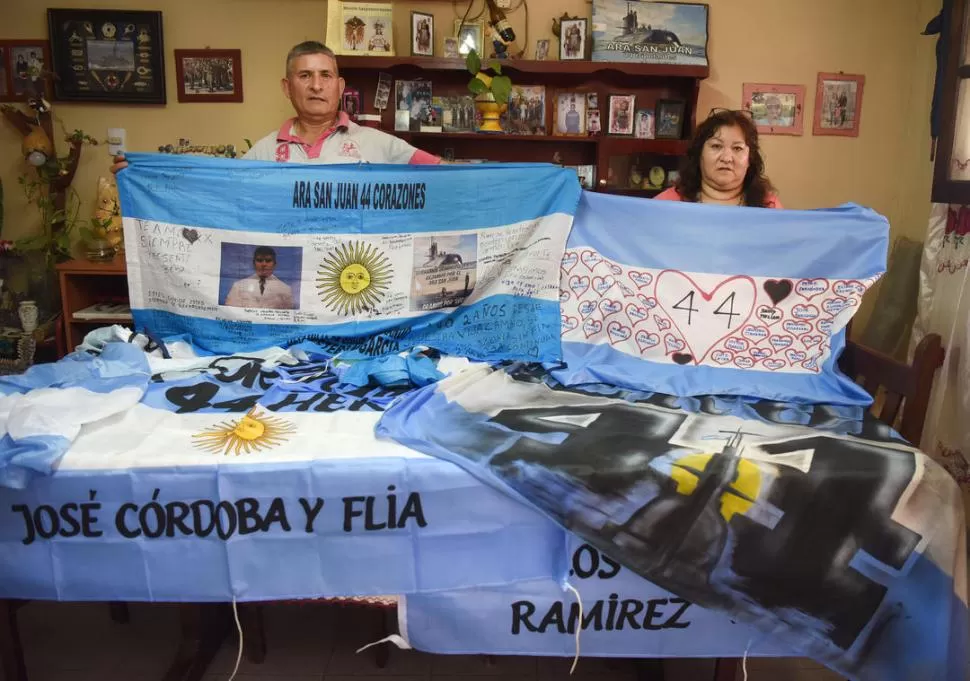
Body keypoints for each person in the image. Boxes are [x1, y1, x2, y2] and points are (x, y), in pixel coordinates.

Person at [111, 41, 438, 172]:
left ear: (339, 87)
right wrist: (143, 175)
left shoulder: (378, 144)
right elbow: (217, 194)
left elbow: (447, 174)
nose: (316, 85)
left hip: (354, 281)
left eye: (326, 75)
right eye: (305, 75)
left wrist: (489, 181)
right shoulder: (263, 153)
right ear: (287, 87)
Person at [654, 108, 782, 208]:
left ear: (750, 159)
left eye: (737, 148)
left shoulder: (768, 206)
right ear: (699, 155)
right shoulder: (666, 204)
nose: (726, 158)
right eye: (716, 146)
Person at [224, 246, 295, 310]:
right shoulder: (238, 286)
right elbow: (230, 312)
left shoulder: (285, 289)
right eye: (259, 260)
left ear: (274, 264)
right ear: (253, 263)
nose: (263, 264)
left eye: (268, 260)